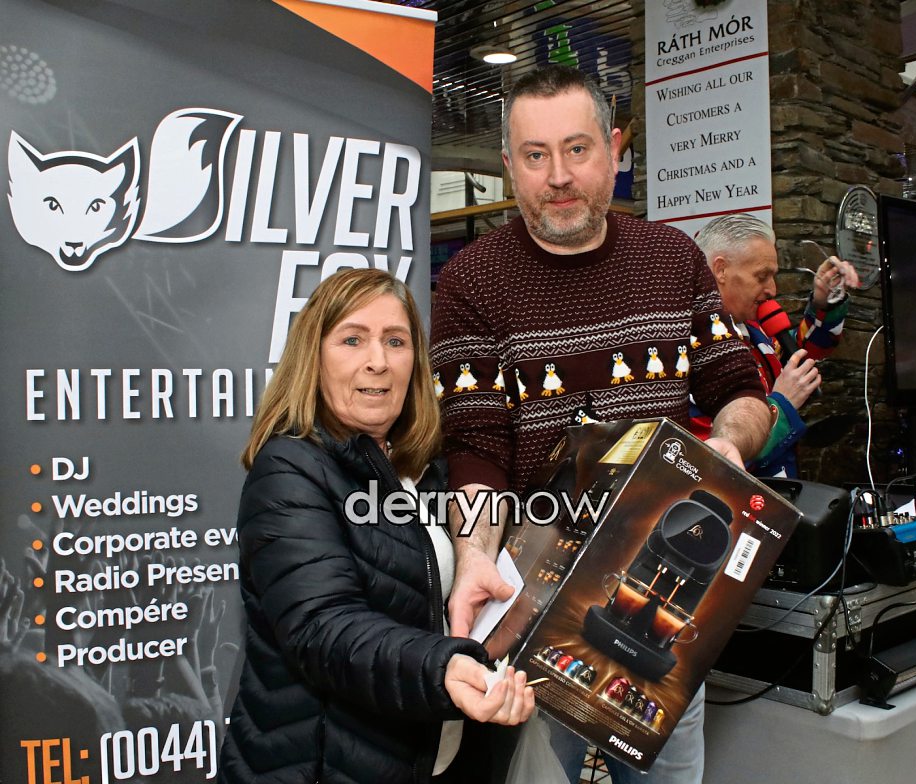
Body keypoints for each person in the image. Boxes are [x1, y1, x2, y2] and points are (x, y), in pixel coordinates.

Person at [430, 65, 771, 784]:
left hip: (667, 592)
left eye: (577, 149)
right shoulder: (469, 282)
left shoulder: (672, 259)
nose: (558, 176)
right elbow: (476, 450)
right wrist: (473, 557)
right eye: (535, 155)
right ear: (508, 166)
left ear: (614, 149)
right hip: (536, 600)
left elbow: (741, 391)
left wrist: (727, 446)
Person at [218, 268, 534, 784]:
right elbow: (323, 628)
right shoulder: (290, 469)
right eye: (352, 339)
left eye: (395, 341)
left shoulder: (423, 470)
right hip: (326, 765)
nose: (378, 361)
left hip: (437, 756)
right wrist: (444, 667)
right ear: (314, 356)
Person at [693, 214, 860, 477]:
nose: (772, 289)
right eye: (762, 276)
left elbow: (802, 354)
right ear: (720, 270)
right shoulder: (688, 347)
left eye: (773, 276)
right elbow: (713, 455)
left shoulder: (754, 329)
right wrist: (783, 403)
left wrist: (825, 302)